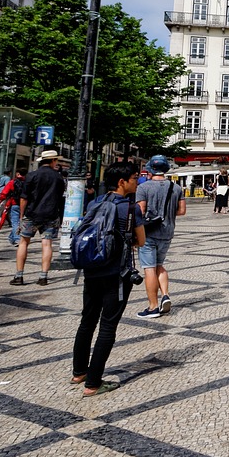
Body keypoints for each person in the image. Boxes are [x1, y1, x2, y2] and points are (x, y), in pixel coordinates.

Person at [69, 162, 143, 396]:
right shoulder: (130, 209)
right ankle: (94, 383)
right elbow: (140, 241)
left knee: (87, 321)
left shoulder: (95, 203)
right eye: (133, 178)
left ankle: (79, 372)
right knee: (108, 325)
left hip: (91, 270)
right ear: (121, 182)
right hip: (116, 274)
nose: (136, 182)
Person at [134, 155, 186, 319]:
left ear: (150, 169)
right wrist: (168, 214)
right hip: (167, 232)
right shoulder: (176, 187)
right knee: (159, 265)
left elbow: (139, 211)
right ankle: (165, 295)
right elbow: (182, 211)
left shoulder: (144, 187)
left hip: (149, 233)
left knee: (149, 268)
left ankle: (153, 307)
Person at [13, 150, 67, 286]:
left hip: (31, 214)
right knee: (47, 244)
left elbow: (24, 198)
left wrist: (21, 216)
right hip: (51, 215)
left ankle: (19, 276)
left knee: (24, 242)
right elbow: (61, 199)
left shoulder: (31, 176)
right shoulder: (58, 178)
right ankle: (43, 276)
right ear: (53, 160)